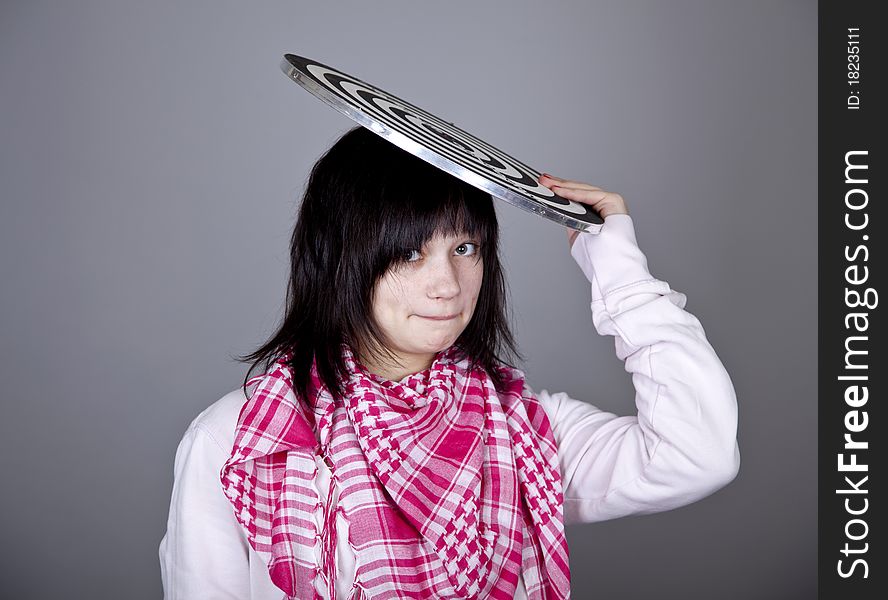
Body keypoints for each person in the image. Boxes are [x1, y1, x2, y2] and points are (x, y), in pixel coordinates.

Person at [159, 126, 739, 599]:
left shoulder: (524, 432)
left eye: (464, 248)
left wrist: (619, 270)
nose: (447, 285)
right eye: (410, 252)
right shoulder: (242, 442)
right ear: (341, 260)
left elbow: (696, 456)